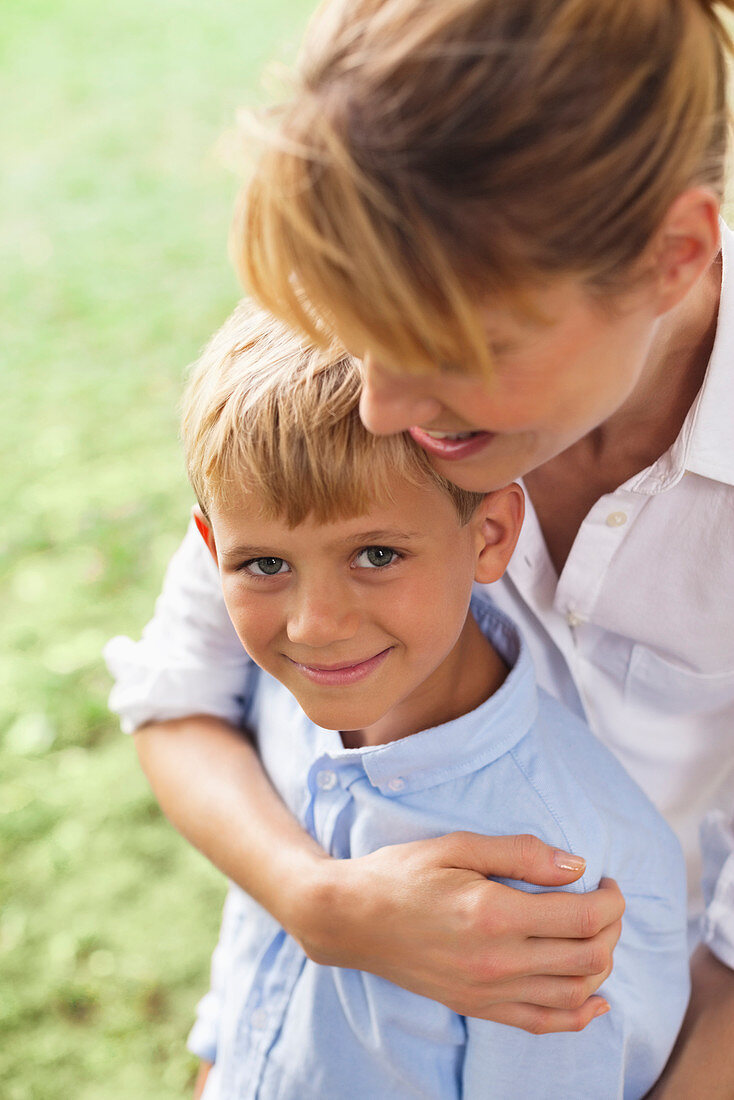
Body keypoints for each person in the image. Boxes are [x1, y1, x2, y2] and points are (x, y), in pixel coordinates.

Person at [106, 0, 734, 1093]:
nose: (382, 403)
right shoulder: (386, 316)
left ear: (671, 257)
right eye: (358, 333)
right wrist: (318, 903)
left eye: (450, 350)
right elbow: (181, 689)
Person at [170, 299, 688, 1099]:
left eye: (375, 554)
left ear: (489, 536)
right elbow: (257, 948)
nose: (314, 627)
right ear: (212, 554)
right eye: (265, 565)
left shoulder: (553, 874)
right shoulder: (293, 703)